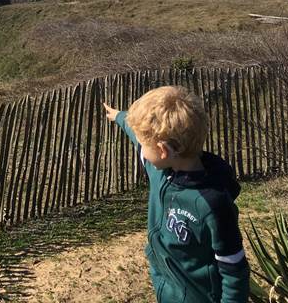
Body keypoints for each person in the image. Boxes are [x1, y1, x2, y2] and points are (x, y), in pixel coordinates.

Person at [104, 86, 250, 303]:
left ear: (163, 150)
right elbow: (135, 134)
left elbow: (234, 270)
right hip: (167, 288)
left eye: (145, 145)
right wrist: (118, 116)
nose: (140, 150)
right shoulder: (161, 168)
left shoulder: (212, 204)